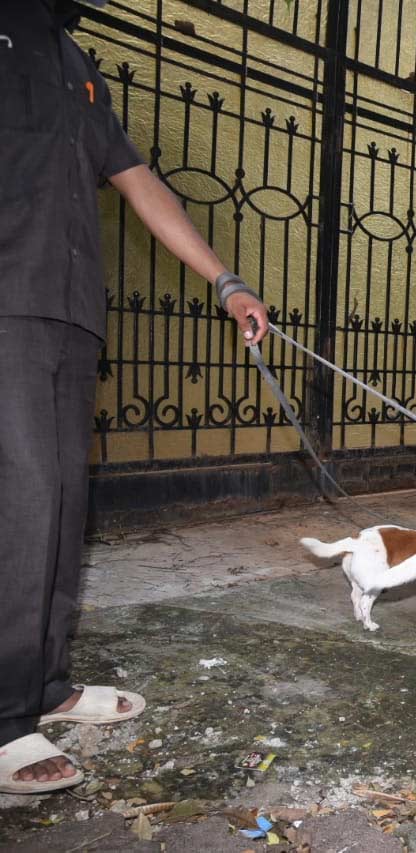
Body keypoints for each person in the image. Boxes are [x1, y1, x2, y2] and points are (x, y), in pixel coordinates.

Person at [0, 0, 269, 794]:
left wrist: (225, 281)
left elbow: (136, 179)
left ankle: (42, 684)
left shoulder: (75, 59)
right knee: (20, 503)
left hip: (71, 308)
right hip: (6, 298)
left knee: (59, 504)